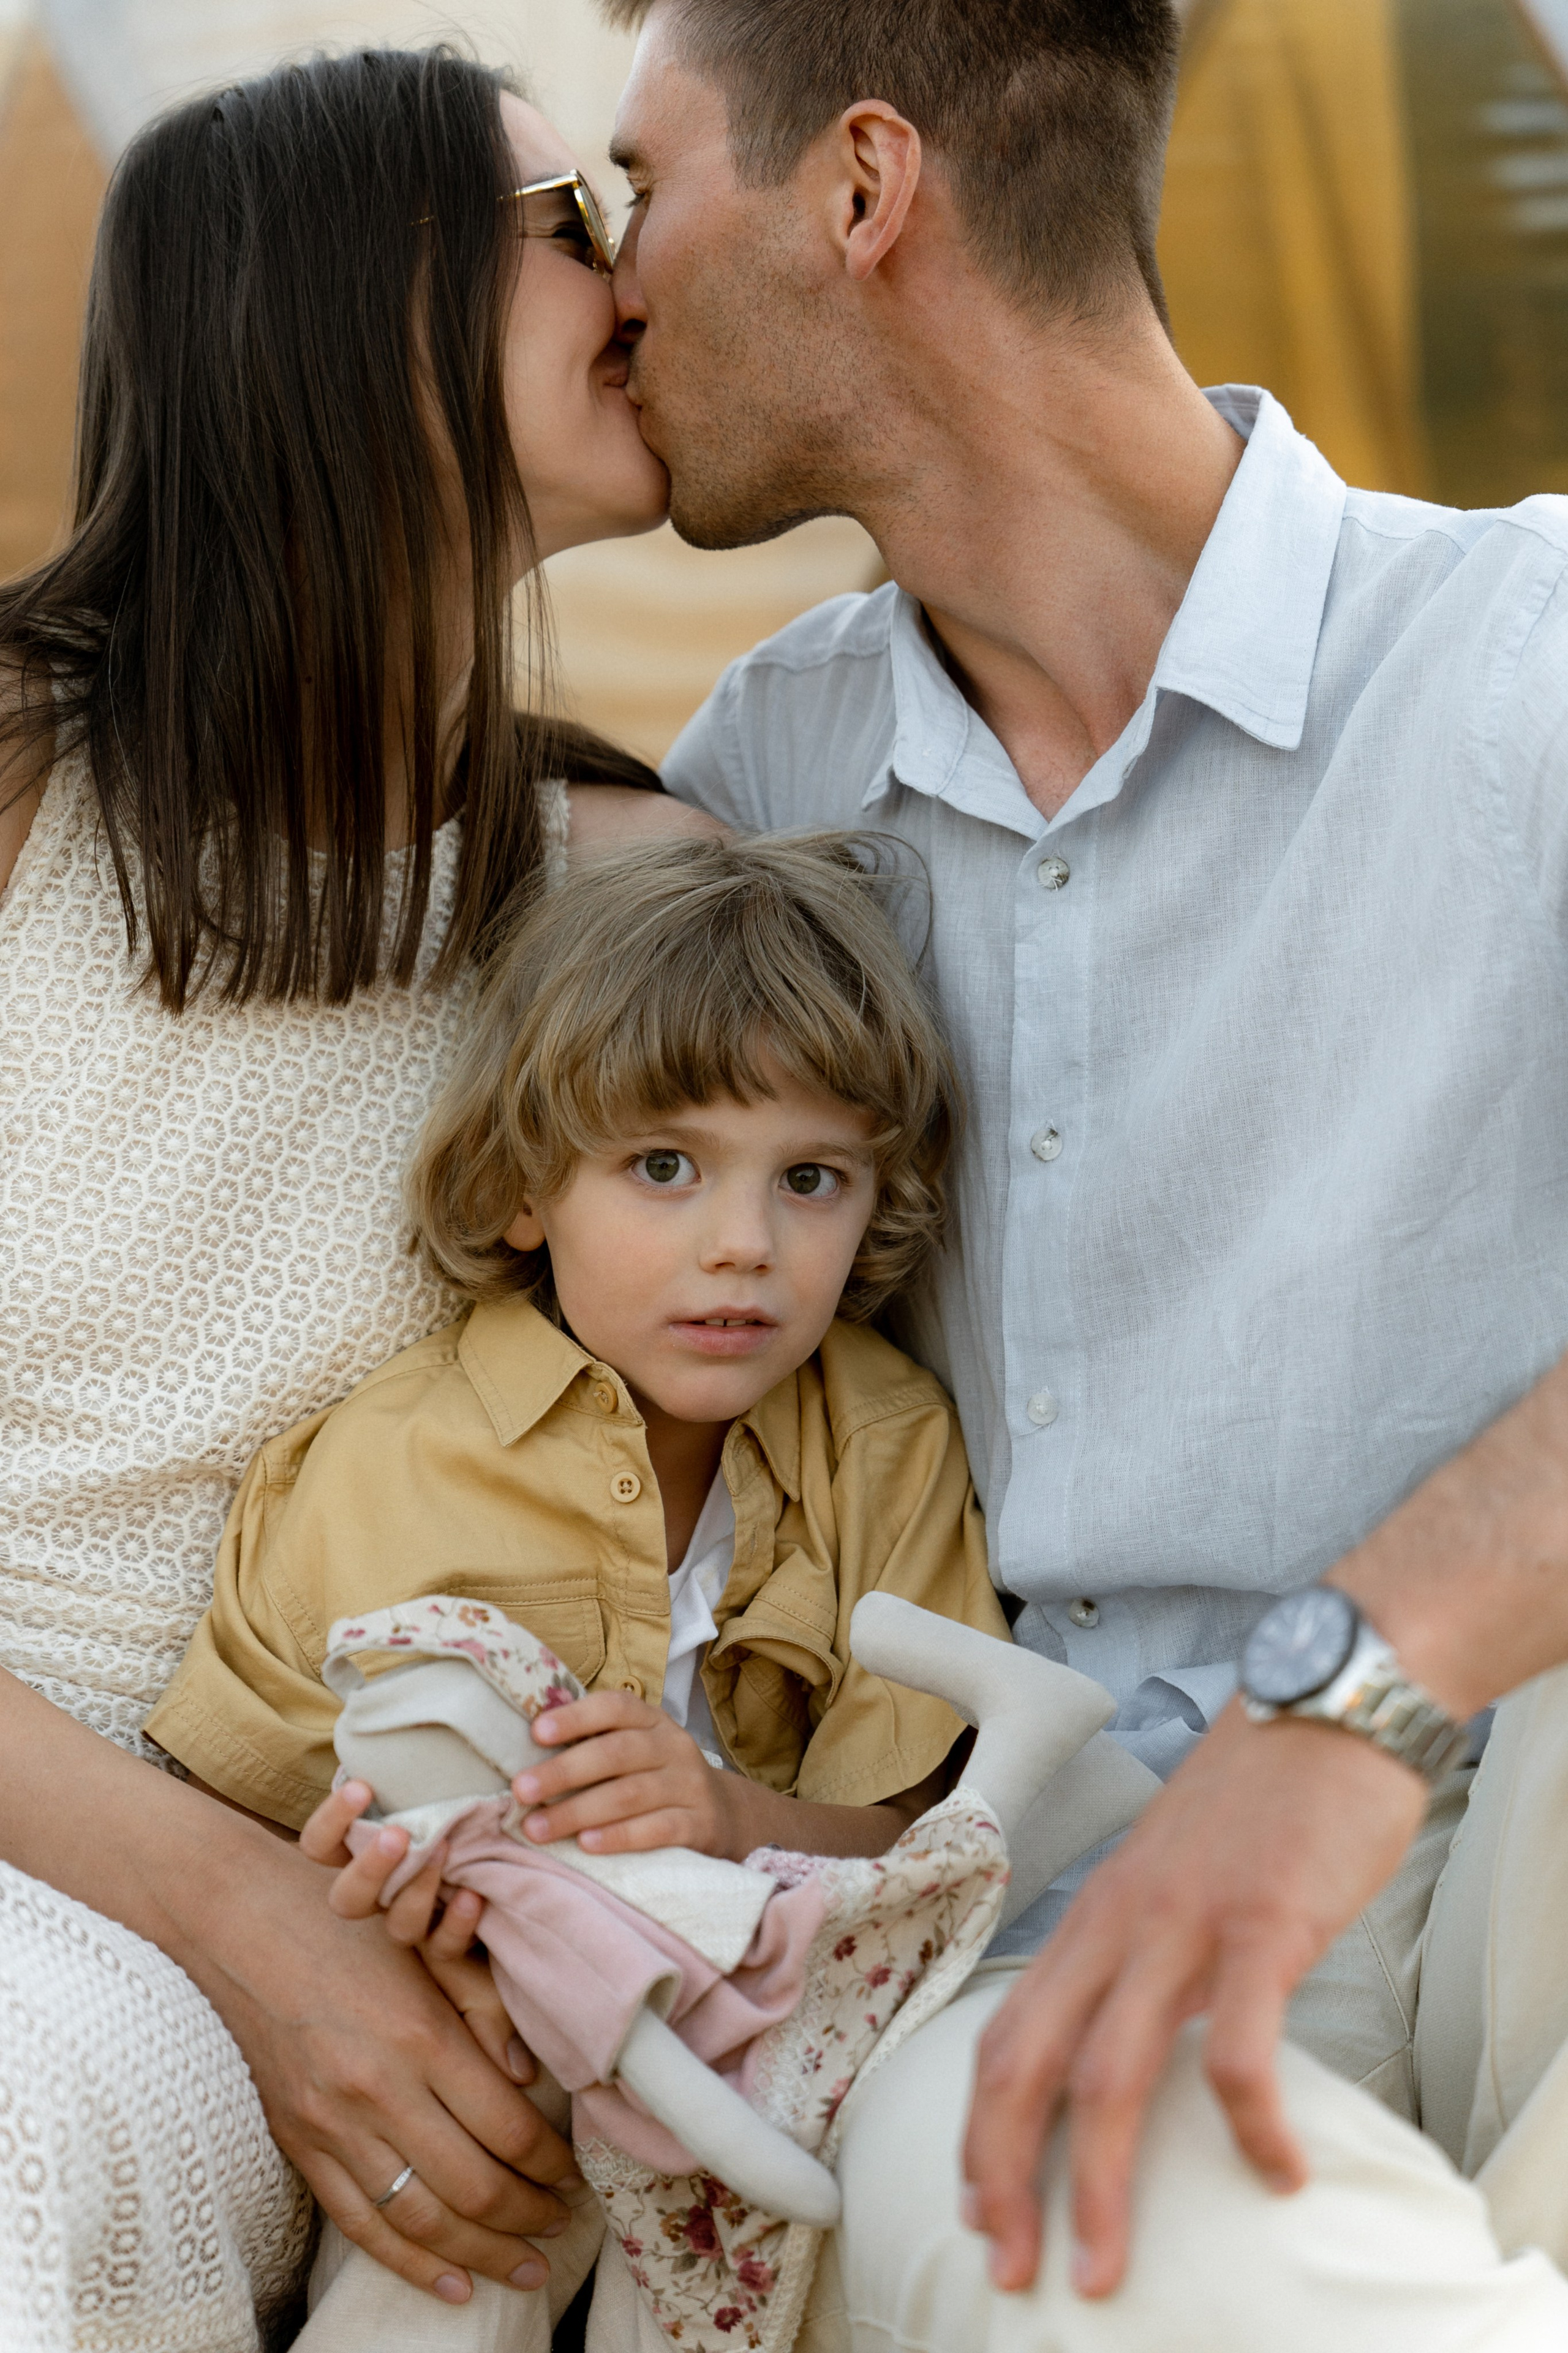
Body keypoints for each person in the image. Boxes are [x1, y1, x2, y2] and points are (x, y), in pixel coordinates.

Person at [587, 0, 1568, 2343]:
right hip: (1060, 1917)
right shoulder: (759, 791)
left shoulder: (1531, 656)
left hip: (1525, 1808)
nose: (611, 280)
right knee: (1078, 2222)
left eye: (642, 185)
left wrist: (1350, 1703)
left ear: (859, 189)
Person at [0, 45, 715, 2351]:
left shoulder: (622, 891)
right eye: (572, 219)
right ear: (360, 293)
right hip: (170, 1890)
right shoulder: (12, 789)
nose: (640, 274)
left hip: (268, 1901)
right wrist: (245, 1921)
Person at [148, 829, 1012, 2350]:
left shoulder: (887, 1441)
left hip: (771, 2056)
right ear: (523, 1186)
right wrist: (383, 1895)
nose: (742, 1245)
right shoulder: (388, 1457)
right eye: (662, 1167)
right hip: (475, 2046)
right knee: (446, 2254)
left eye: (810, 1177)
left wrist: (736, 1817)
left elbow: (920, 1842)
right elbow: (238, 1815)